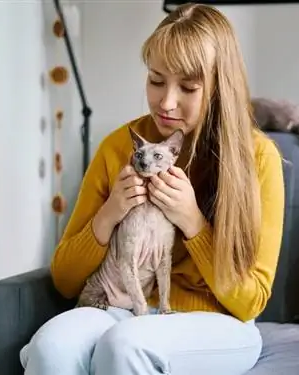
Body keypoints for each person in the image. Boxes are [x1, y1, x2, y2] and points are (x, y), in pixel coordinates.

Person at [19, 3, 285, 375]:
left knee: (126, 345)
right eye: (156, 80)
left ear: (219, 87)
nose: (166, 102)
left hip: (219, 321)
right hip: (122, 306)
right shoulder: (119, 148)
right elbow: (65, 281)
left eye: (188, 87)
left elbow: (251, 300)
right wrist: (111, 212)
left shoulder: (257, 158)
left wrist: (191, 221)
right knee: (50, 348)